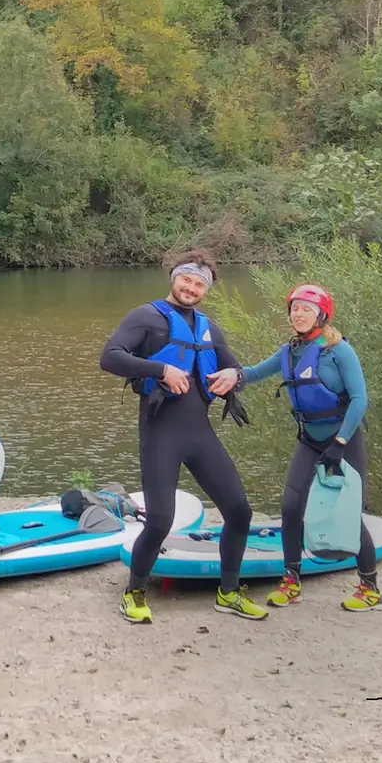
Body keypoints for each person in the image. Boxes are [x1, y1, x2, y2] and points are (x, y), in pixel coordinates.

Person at [99, 251, 262, 625]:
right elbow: (110, 357)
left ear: (206, 290)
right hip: (161, 433)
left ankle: (229, 592)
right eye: (186, 279)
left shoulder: (208, 327)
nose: (191, 288)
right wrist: (162, 369)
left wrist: (235, 376)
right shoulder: (146, 317)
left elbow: (232, 367)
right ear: (174, 278)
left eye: (199, 284)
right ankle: (134, 593)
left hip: (199, 434)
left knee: (239, 511)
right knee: (160, 521)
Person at [238, 284, 381, 612]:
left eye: (306, 309)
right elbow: (254, 372)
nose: (299, 314)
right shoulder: (289, 352)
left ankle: (370, 587)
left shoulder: (338, 350)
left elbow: (359, 399)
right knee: (291, 507)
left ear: (321, 315)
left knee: (348, 514)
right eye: (295, 309)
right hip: (310, 441)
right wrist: (228, 377)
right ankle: (291, 581)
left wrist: (340, 443)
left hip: (344, 440)